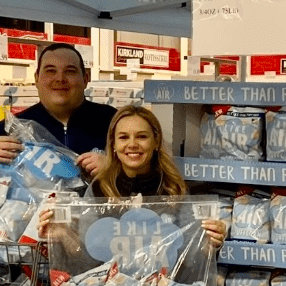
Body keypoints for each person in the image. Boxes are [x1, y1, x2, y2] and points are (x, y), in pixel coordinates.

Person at [39, 105, 226, 247]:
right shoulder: (99, 188)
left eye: (142, 137)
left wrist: (211, 240)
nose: (132, 144)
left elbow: (190, 247)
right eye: (123, 137)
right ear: (112, 144)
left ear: (156, 141)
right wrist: (60, 235)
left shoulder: (173, 188)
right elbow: (87, 250)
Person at [0, 43, 116, 177]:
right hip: (33, 217)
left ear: (86, 78)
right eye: (50, 71)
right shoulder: (14, 127)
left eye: (70, 71)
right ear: (36, 78)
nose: (60, 78)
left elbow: (141, 173)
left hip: (100, 216)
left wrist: (113, 168)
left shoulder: (113, 121)